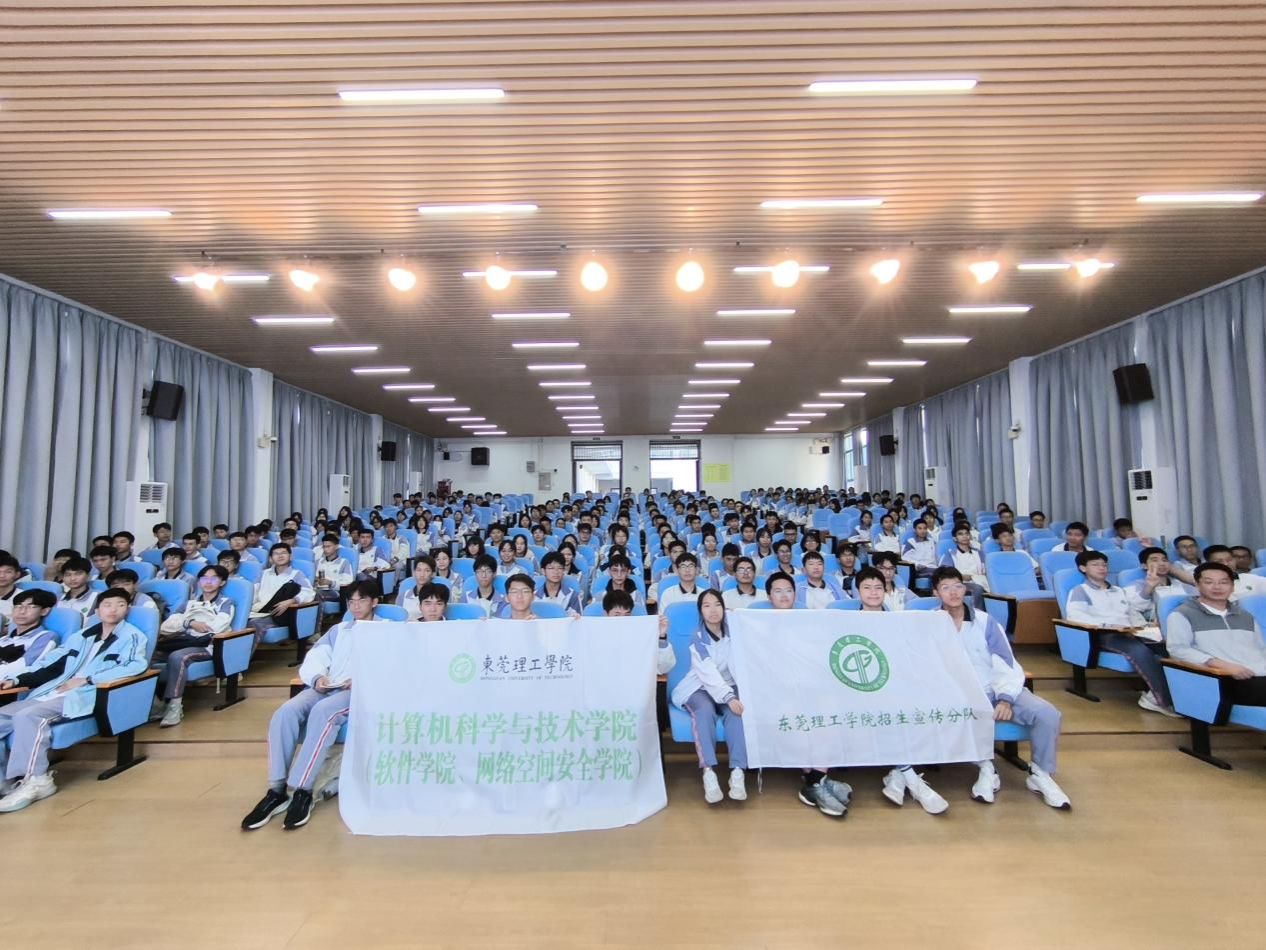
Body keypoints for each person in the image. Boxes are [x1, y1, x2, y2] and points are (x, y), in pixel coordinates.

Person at [240, 581, 381, 831]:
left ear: (375, 602)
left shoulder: (386, 631)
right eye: (351, 601)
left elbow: (390, 666)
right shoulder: (338, 630)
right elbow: (315, 657)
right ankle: (276, 789)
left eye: (362, 600)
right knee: (285, 712)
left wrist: (362, 680)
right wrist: (318, 678)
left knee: (324, 712)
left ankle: (302, 790)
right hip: (327, 685)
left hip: (358, 691)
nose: (356, 606)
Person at [930, 567, 1070, 808]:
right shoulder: (930, 623)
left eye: (958, 586)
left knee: (1047, 714)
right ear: (936, 593)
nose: (953, 592)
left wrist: (1005, 698)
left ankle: (1040, 774)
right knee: (965, 715)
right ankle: (986, 768)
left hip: (997, 687)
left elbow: (1006, 661)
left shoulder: (984, 621)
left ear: (965, 589)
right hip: (961, 694)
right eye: (946, 587)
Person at [0, 588, 149, 812]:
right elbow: (50, 663)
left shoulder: (133, 636)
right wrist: (16, 680)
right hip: (52, 692)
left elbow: (135, 666)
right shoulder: (81, 636)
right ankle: (4, 782)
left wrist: (88, 679)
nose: (113, 610)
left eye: (120, 604)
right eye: (107, 605)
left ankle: (37, 781)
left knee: (29, 716)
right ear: (97, 610)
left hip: (85, 695)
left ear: (127, 609)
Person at [849, 568, 951, 815]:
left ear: (885, 591)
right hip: (859, 688)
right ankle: (913, 780)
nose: (873, 593)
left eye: (878, 588)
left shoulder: (899, 621)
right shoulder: (846, 621)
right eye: (867, 588)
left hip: (896, 685)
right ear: (858, 591)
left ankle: (898, 775)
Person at [765, 570, 853, 816]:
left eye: (789, 590)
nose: (784, 595)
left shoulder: (806, 621)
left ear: (795, 594)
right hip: (778, 691)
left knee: (829, 713)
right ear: (769, 596)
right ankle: (817, 781)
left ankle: (815, 781)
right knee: (797, 717)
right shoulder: (760, 624)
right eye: (778, 591)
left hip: (808, 686)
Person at [1065, 550, 1176, 716]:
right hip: (1103, 635)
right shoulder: (1080, 590)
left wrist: (1149, 587)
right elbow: (1075, 616)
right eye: (1095, 565)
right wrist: (1107, 625)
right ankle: (1163, 701)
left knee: (1166, 649)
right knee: (1140, 651)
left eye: (1104, 565)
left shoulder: (1117, 590)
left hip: (1129, 632)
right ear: (1083, 568)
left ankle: (1159, 696)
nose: (1102, 568)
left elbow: (1135, 608)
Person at [669, 589, 747, 804]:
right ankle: (709, 772)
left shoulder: (734, 633)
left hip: (728, 686)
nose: (713, 610)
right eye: (707, 605)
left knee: (737, 714)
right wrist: (729, 697)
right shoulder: (697, 638)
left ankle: (738, 771)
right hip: (699, 687)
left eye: (717, 604)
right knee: (704, 711)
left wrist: (734, 697)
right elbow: (708, 673)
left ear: (724, 608)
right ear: (701, 612)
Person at [1166, 562, 1266, 704]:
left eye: (1224, 582)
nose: (1217, 587)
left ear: (1232, 586)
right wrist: (1222, 665)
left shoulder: (1245, 616)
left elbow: (1260, 649)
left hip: (1258, 675)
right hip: (1223, 679)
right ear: (1197, 585)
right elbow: (1178, 650)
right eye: (1209, 582)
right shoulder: (1182, 614)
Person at [152, 564, 236, 727]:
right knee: (149, 657)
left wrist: (184, 625)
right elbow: (166, 627)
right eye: (204, 578)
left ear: (222, 582)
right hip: (181, 641)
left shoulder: (226, 603)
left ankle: (175, 707)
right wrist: (190, 623)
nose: (208, 582)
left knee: (178, 657)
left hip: (207, 646)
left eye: (214, 578)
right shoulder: (188, 604)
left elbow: (215, 627)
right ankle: (155, 706)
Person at [248, 544, 316, 644]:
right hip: (260, 610)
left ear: (290, 556)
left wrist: (293, 600)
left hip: (280, 612)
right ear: (271, 558)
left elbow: (308, 592)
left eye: (283, 553)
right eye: (276, 554)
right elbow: (253, 592)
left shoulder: (296, 574)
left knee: (255, 624)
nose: (280, 556)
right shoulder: (263, 573)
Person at [0, 589, 59, 682]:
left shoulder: (45, 637)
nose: (22, 611)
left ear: (44, 611)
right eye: (18, 606)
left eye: (31, 607)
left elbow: (24, 666)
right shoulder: (4, 639)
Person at [1129, 546, 1193, 619]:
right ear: (1144, 566)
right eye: (1155, 560)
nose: (1162, 563)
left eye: (1164, 560)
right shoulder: (1137, 585)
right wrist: (1149, 587)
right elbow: (1135, 607)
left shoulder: (1178, 583)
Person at [939, 522, 989, 609]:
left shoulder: (979, 553)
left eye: (967, 533)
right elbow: (945, 574)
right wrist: (961, 577)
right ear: (955, 538)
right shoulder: (950, 555)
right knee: (978, 588)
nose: (965, 536)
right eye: (960, 534)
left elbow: (986, 569)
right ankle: (977, 613)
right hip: (961, 583)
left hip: (980, 580)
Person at [314, 533, 354, 610]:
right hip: (319, 589)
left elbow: (348, 582)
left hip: (336, 592)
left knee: (316, 594)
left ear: (336, 546)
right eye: (324, 547)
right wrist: (315, 580)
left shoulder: (344, 562)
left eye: (328, 546)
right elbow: (314, 579)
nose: (325, 549)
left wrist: (331, 583)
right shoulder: (318, 562)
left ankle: (317, 618)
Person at [58, 556, 100, 624]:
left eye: (78, 574)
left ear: (88, 576)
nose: (72, 578)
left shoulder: (97, 597)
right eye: (68, 575)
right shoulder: (59, 597)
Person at [398, 556, 438, 620]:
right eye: (419, 570)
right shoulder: (403, 596)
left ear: (433, 574)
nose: (422, 575)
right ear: (414, 572)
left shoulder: (438, 595)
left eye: (427, 571)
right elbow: (398, 618)